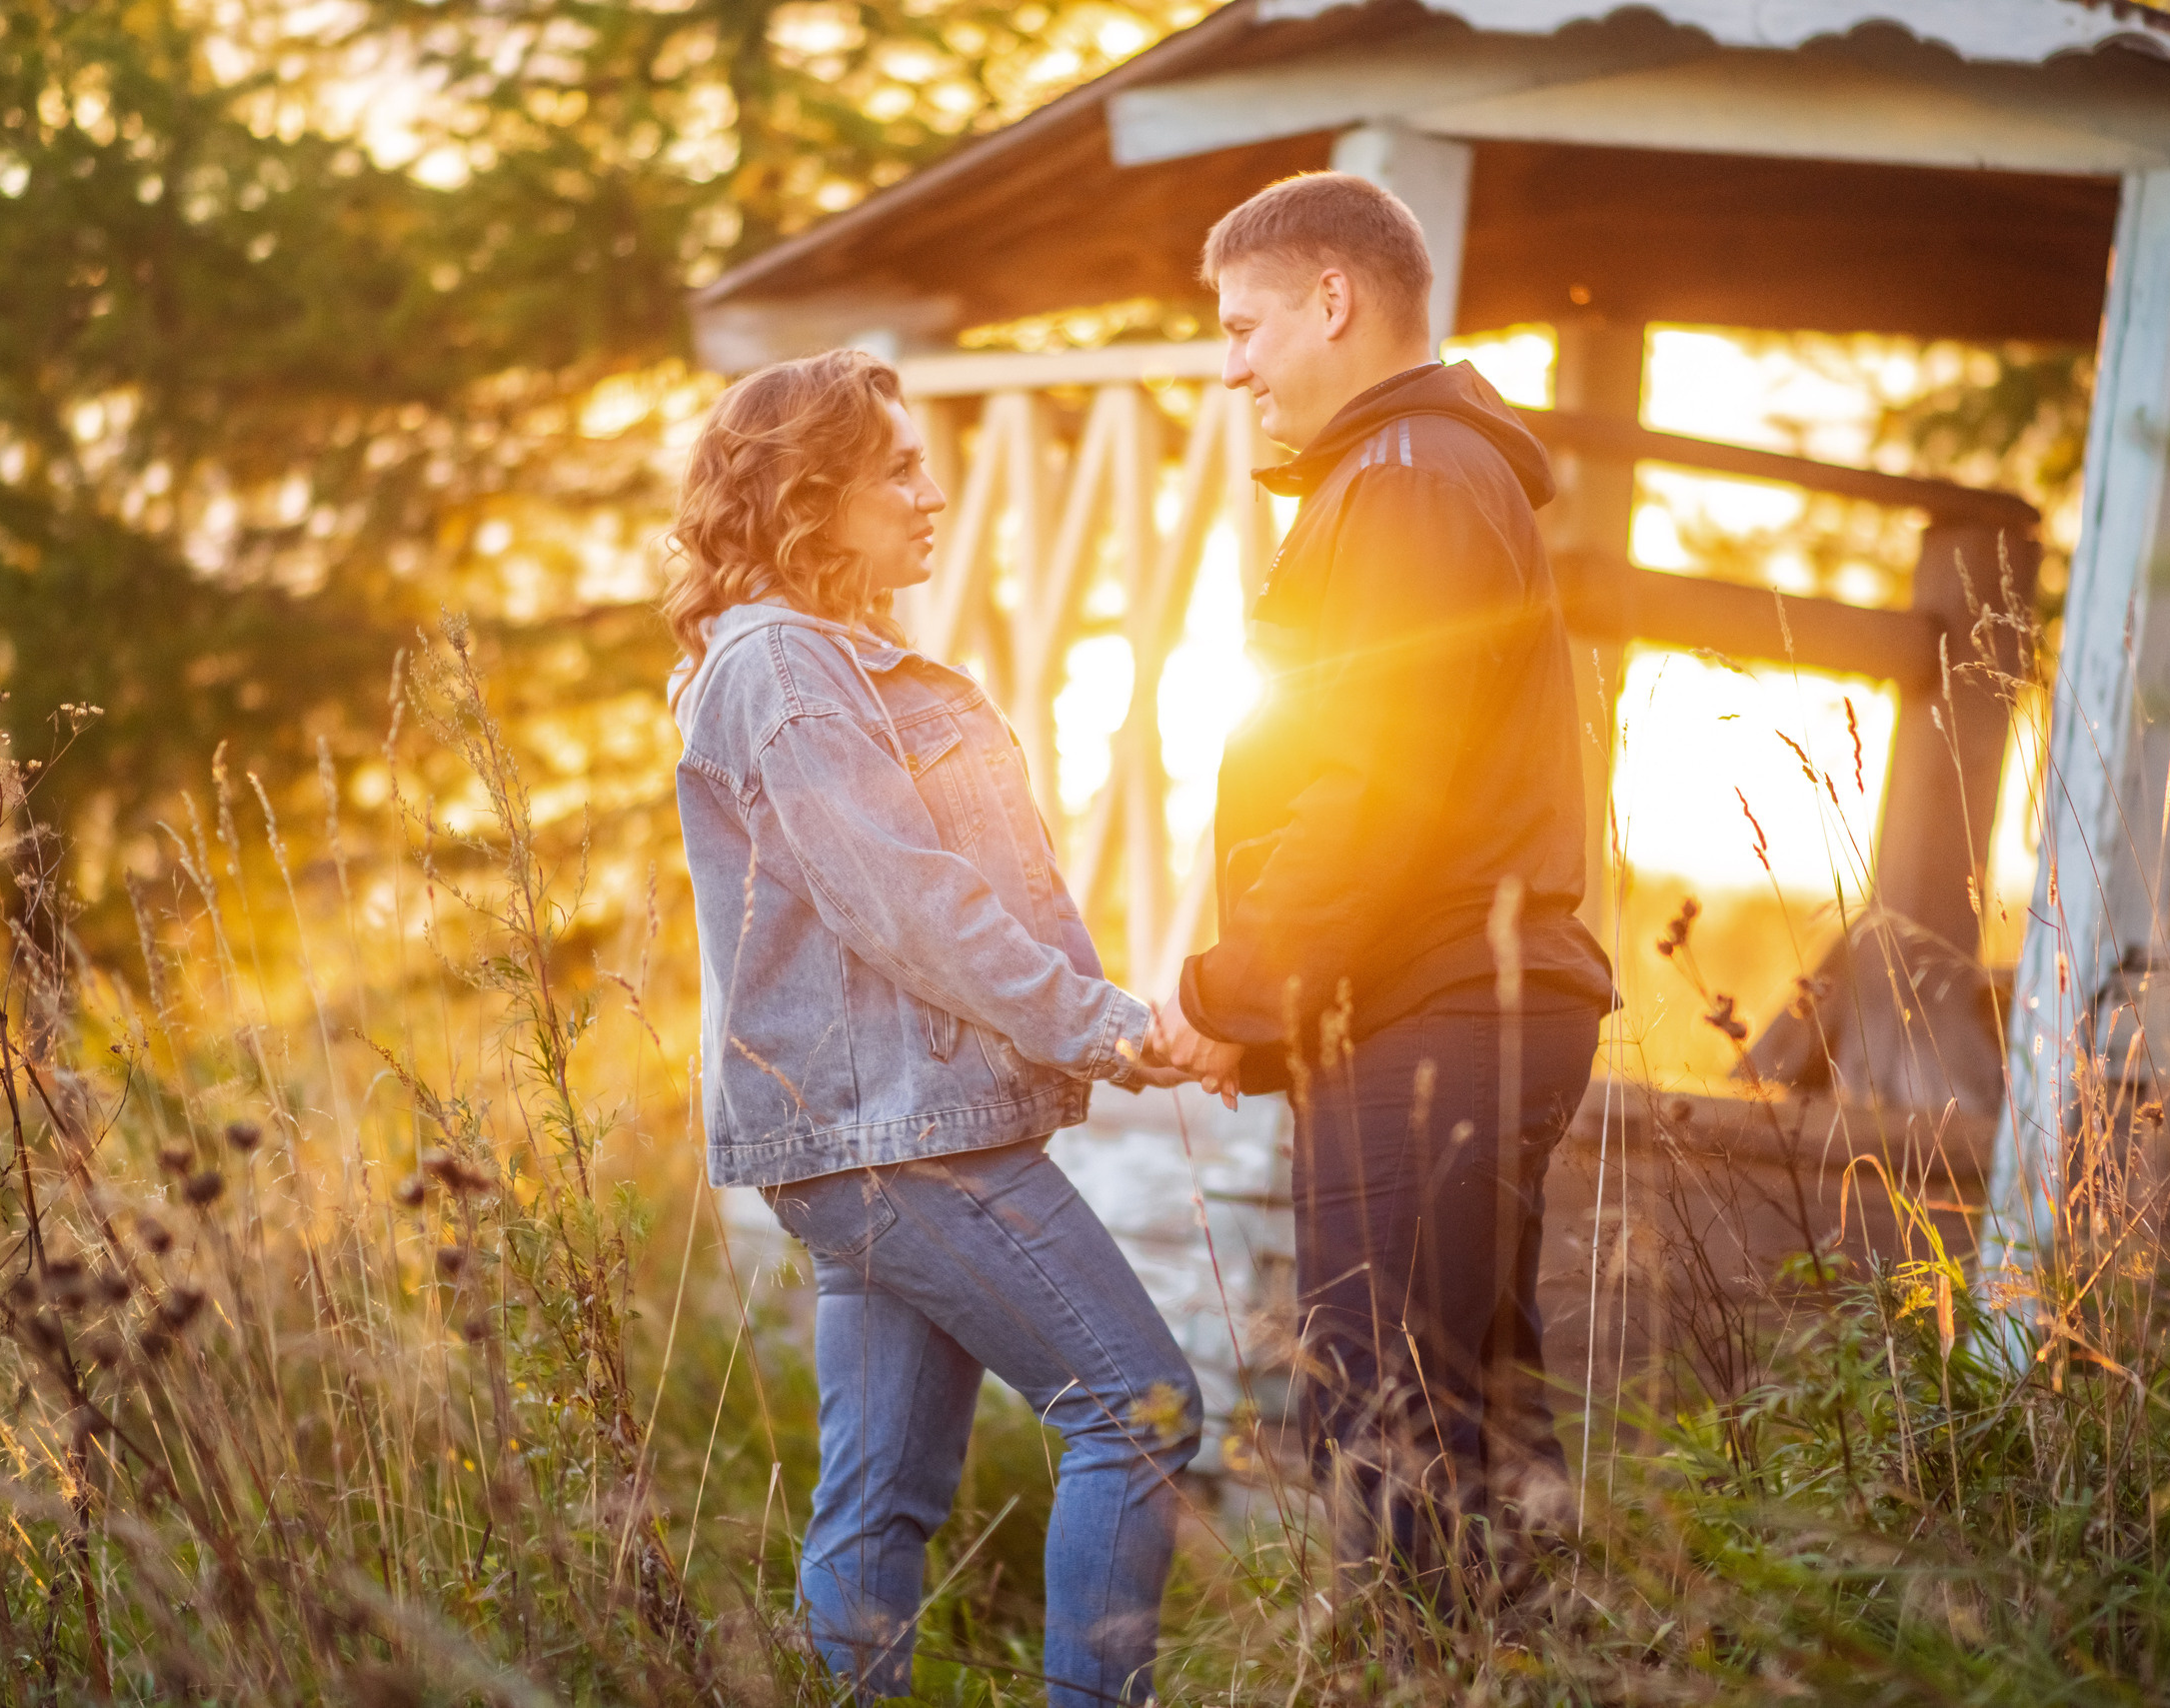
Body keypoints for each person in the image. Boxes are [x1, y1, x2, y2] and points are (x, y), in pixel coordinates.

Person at [665, 349, 1202, 1706]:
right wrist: (1102, 1023)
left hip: (865, 1138)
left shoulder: (806, 658)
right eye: (897, 468)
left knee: (885, 1488)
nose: (932, 491)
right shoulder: (784, 664)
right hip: (900, 1135)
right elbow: (902, 900)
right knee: (1137, 1409)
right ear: (808, 493)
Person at [1149, 173, 1616, 1587]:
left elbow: (1370, 786)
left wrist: (1235, 993)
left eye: (1247, 326)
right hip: (1426, 1009)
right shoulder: (1404, 475)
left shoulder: (1409, 481)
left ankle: (1414, 1678)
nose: (1232, 366)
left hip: (1440, 1018)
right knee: (1458, 1424)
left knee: (1396, 1419)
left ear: (1334, 302)